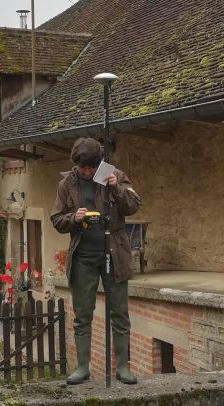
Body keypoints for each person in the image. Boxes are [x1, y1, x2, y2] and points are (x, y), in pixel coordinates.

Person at [50, 138, 141, 385]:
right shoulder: (66, 184)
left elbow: (133, 206)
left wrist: (116, 188)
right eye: (83, 168)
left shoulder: (113, 175)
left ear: (98, 163)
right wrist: (74, 218)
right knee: (82, 315)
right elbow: (56, 219)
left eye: (92, 167)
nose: (87, 172)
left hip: (114, 255)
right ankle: (82, 367)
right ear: (76, 164)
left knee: (120, 313)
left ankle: (123, 367)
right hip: (83, 257)